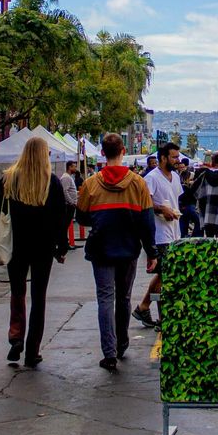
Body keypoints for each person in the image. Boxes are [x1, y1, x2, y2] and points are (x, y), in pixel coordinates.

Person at [77, 133, 158, 372]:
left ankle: (109, 352)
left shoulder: (91, 184)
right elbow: (147, 222)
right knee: (124, 297)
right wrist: (151, 252)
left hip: (101, 247)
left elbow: (81, 217)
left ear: (102, 152)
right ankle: (122, 343)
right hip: (128, 247)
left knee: (105, 298)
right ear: (123, 151)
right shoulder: (137, 183)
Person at [0, 137, 70, 368]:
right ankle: (32, 350)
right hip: (43, 246)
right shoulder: (51, 182)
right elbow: (61, 217)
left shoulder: (7, 179)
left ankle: (16, 336)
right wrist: (61, 247)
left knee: (17, 291)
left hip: (16, 244)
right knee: (39, 297)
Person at [132, 142, 182, 329]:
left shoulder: (175, 177)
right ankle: (160, 316)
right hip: (159, 234)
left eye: (177, 156)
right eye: (174, 157)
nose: (177, 160)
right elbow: (144, 203)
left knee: (164, 274)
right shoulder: (151, 178)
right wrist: (161, 208)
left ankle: (143, 307)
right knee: (165, 275)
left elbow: (177, 200)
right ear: (163, 158)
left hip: (174, 232)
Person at [177, 157, 202, 237]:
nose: (182, 169)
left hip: (190, 203)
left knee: (193, 220)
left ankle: (192, 236)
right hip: (183, 204)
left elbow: (194, 189)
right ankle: (185, 237)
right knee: (185, 221)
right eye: (180, 167)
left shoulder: (191, 175)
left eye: (183, 167)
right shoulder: (177, 177)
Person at [60, 159, 79, 245]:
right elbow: (65, 191)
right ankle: (64, 243)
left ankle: (65, 243)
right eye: (74, 166)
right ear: (69, 167)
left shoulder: (68, 177)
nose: (76, 168)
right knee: (64, 226)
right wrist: (72, 202)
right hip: (68, 206)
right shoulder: (66, 177)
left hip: (70, 205)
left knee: (66, 225)